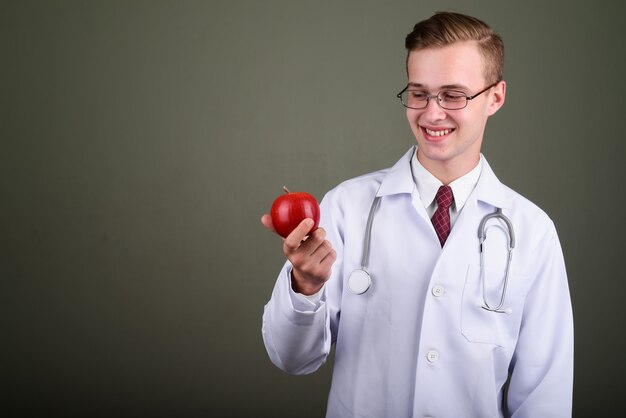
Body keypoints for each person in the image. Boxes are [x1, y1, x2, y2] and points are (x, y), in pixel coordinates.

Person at [261, 11, 573, 418]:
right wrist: (304, 286)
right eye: (419, 93)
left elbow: (544, 397)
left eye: (454, 95)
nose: (432, 113)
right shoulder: (346, 207)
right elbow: (291, 359)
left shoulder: (532, 232)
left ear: (495, 97)